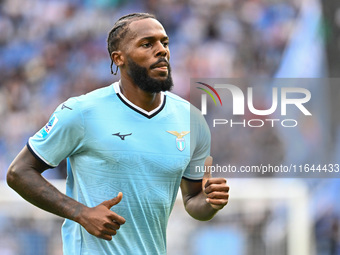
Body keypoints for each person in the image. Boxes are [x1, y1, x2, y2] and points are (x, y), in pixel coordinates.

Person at [7, 13, 229, 255]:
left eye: (164, 43)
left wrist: (209, 202)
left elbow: (192, 202)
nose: (161, 51)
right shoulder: (82, 112)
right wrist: (81, 213)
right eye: (147, 44)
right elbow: (19, 172)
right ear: (119, 58)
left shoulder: (190, 119)